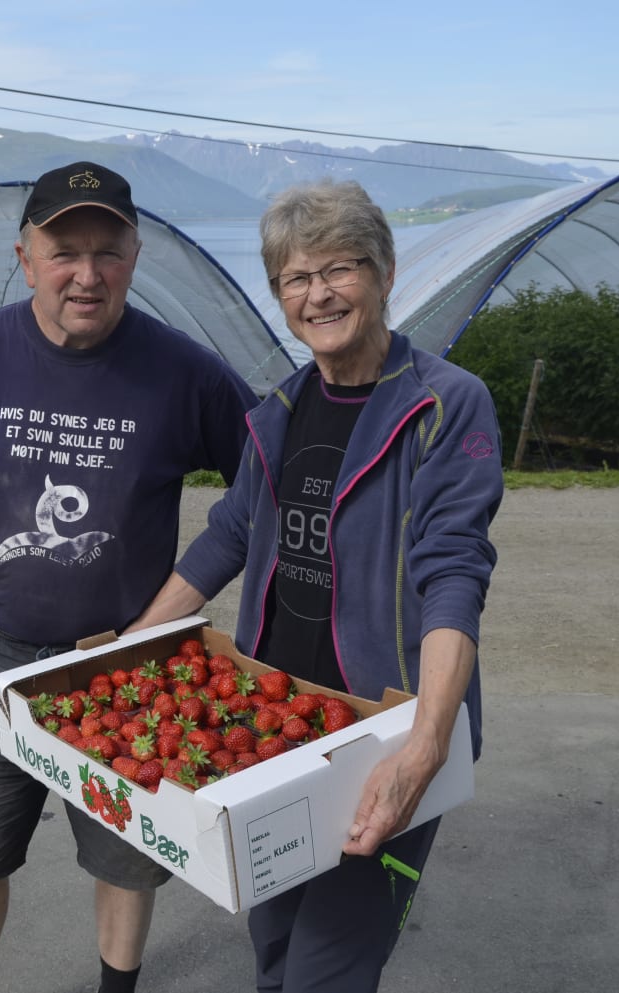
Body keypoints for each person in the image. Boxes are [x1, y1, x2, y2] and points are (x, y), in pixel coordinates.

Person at [0, 161, 259, 993]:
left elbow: (262, 484)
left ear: (134, 258)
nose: (86, 274)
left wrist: (177, 602)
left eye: (107, 251)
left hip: (124, 671)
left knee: (127, 859)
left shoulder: (184, 373)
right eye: (64, 251)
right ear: (26, 258)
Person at [128, 179, 504, 992]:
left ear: (383, 272)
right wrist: (127, 648)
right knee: (272, 943)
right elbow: (229, 534)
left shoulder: (443, 405)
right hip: (275, 724)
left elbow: (452, 571)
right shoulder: (278, 410)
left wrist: (427, 740)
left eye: (339, 268)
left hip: (377, 732)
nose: (317, 293)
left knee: (326, 966)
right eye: (295, 278)